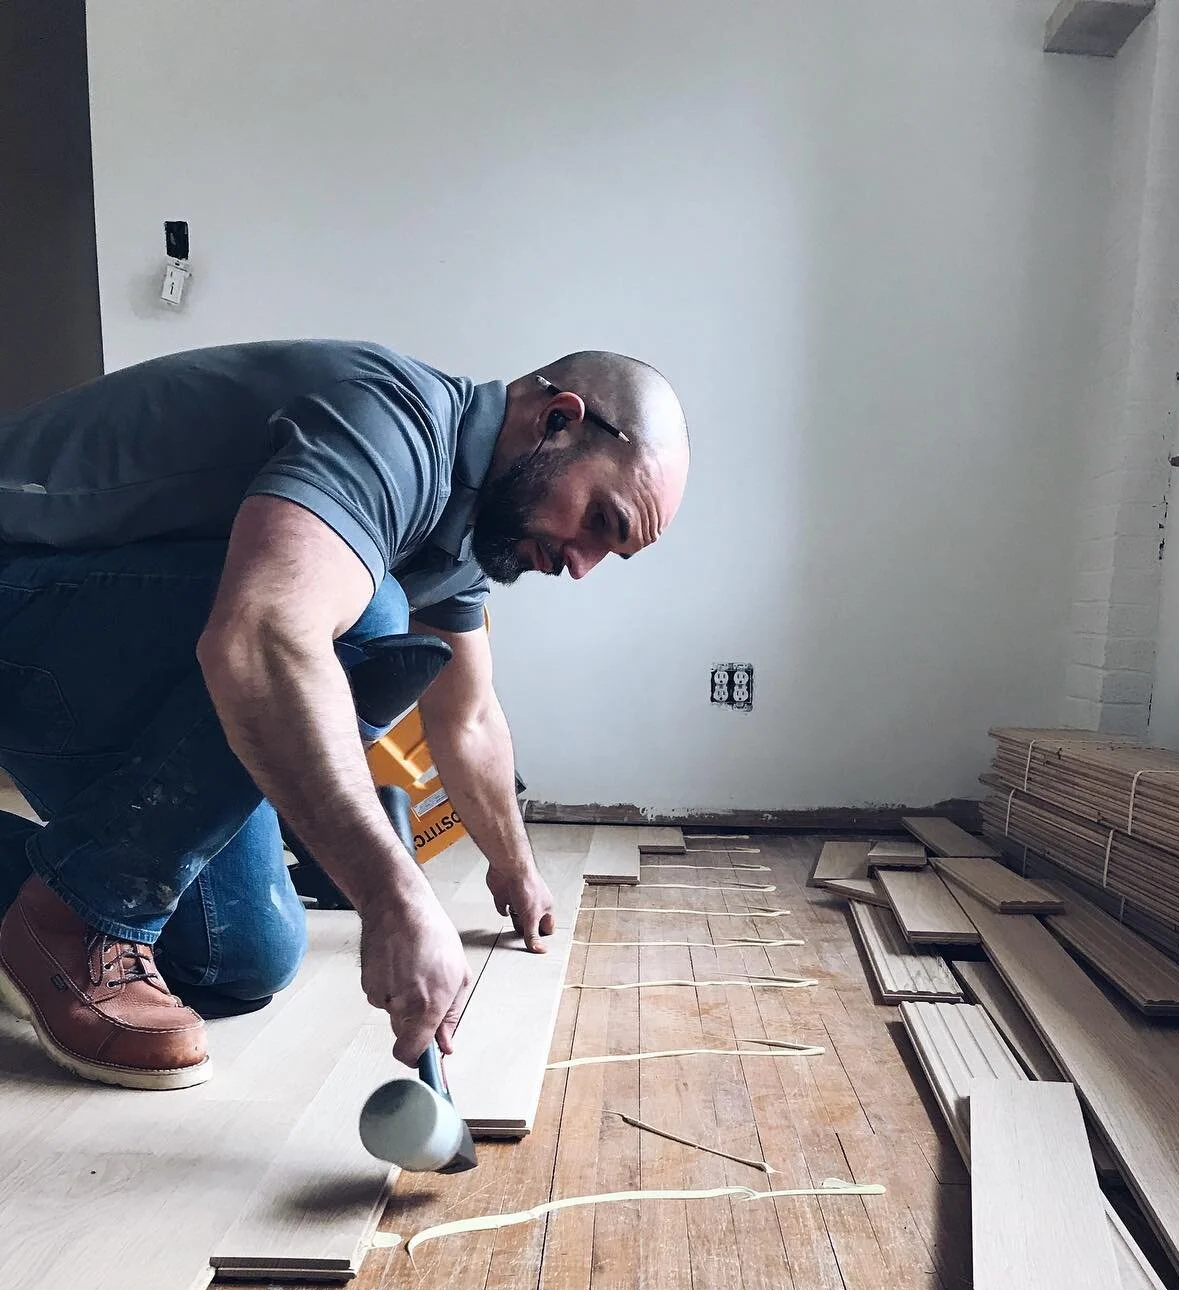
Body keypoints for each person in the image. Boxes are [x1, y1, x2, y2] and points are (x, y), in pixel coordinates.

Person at [0, 340, 689, 1090]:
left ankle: (71, 886)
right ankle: (68, 918)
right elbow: (263, 637)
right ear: (559, 420)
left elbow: (469, 716)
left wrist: (515, 868)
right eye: (600, 521)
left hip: (86, 651)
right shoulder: (390, 424)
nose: (581, 565)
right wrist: (394, 896)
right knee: (368, 617)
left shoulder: (463, 531)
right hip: (22, 595)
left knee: (238, 957)